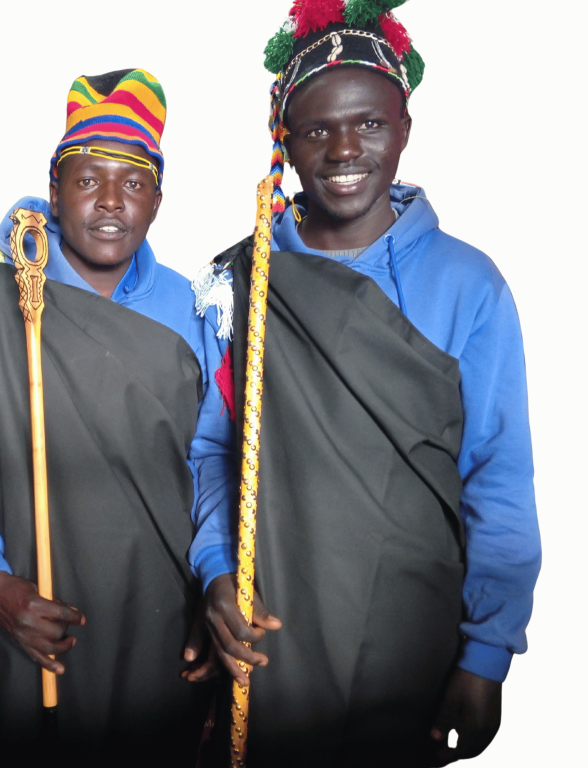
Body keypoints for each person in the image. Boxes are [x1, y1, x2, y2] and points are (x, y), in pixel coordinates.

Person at [192, 2, 541, 765]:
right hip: (274, 634)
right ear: (282, 142)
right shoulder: (240, 281)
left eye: (370, 124)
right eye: (316, 129)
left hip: (411, 639)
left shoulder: (469, 285)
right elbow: (213, 454)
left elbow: (499, 476)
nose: (345, 148)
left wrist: (487, 654)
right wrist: (217, 571)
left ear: (405, 127)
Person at [0, 69, 218, 766]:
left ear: (157, 200)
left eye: (134, 182)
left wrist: (213, 589)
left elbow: (213, 458)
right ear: (55, 190)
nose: (111, 203)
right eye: (88, 181)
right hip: (30, 608)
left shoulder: (196, 305)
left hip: (160, 611)